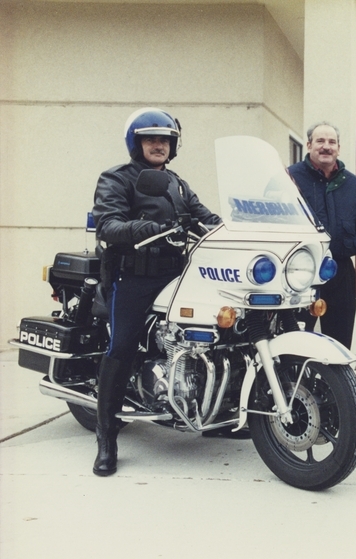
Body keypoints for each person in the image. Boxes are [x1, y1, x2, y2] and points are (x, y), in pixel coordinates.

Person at [91, 108, 222, 476]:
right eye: (151, 138)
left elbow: (205, 218)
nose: (159, 145)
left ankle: (215, 410)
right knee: (122, 346)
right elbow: (108, 225)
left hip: (177, 273)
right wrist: (146, 227)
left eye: (165, 139)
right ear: (136, 143)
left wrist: (234, 229)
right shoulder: (117, 178)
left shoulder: (178, 184)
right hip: (133, 276)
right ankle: (106, 437)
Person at [288, 122, 356, 349]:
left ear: (339, 148)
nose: (326, 147)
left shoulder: (355, 186)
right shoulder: (289, 179)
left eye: (331, 142)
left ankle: (334, 384)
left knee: (339, 342)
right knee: (296, 339)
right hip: (300, 272)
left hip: (340, 272)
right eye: (320, 141)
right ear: (309, 145)